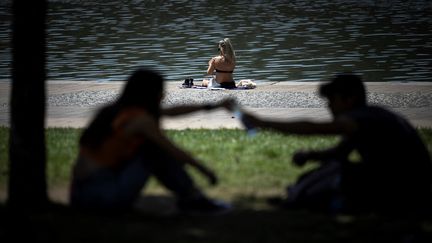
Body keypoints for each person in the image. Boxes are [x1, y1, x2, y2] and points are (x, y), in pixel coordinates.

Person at [241, 74, 432, 214]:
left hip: (406, 187)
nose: (329, 106)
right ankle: (299, 197)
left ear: (349, 99)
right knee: (330, 170)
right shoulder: (372, 115)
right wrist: (311, 156)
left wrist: (262, 123)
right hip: (402, 181)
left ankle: (303, 200)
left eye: (332, 100)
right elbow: (340, 153)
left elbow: (312, 128)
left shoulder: (360, 118)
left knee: (338, 177)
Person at [69, 68, 233, 214]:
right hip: (103, 198)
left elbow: (171, 111)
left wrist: (213, 106)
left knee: (150, 151)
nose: (163, 95)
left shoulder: (115, 112)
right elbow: (172, 151)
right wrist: (205, 171)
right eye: (161, 91)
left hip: (79, 196)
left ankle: (192, 198)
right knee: (153, 151)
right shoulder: (141, 121)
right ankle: (193, 199)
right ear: (151, 94)